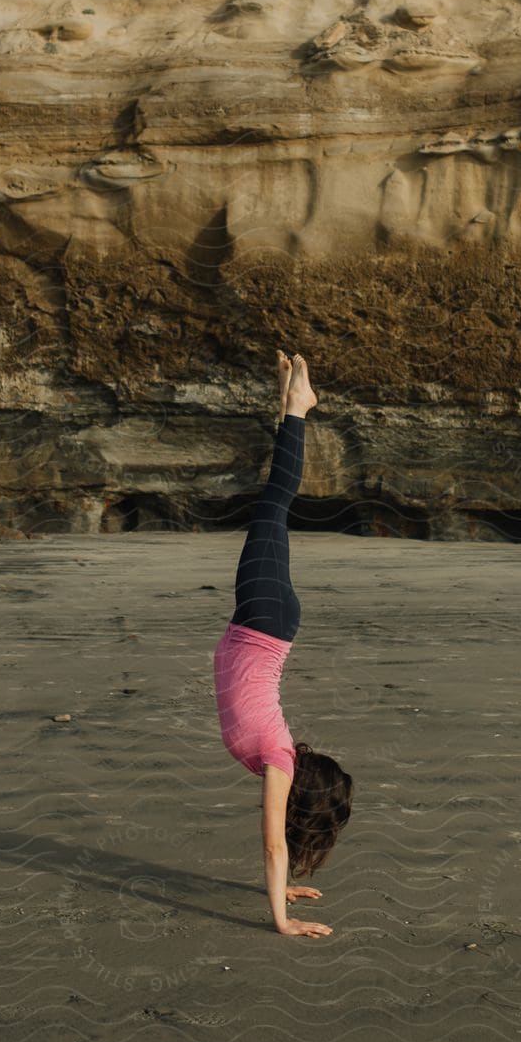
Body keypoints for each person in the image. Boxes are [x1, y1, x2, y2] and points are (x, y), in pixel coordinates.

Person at [212, 351, 353, 938]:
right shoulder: (277, 760)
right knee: (274, 503)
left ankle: (292, 406)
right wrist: (283, 917)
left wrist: (283, 905)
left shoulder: (277, 760)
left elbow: (274, 848)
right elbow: (274, 843)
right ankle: (297, 408)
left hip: (260, 618)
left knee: (274, 504)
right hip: (264, 619)